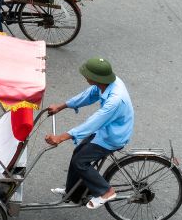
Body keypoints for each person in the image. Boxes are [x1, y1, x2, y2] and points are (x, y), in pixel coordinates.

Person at [45, 57, 134, 209]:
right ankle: (73, 193)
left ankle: (106, 191)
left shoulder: (115, 100)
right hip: (105, 130)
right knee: (77, 152)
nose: (85, 77)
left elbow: (93, 123)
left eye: (87, 75)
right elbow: (88, 95)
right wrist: (62, 106)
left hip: (113, 136)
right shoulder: (106, 83)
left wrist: (61, 137)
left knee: (80, 161)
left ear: (96, 78)